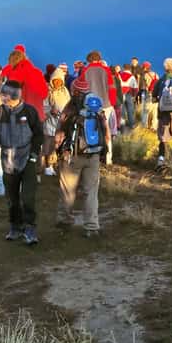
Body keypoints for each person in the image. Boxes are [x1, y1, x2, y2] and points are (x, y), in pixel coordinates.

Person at [0, 80, 43, 244]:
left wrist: (33, 154)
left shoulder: (29, 112)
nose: (1, 97)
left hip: (27, 160)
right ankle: (15, 227)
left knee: (28, 197)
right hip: (7, 161)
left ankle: (30, 228)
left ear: (13, 96)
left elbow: (39, 135)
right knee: (12, 197)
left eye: (4, 94)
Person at [55, 92, 108, 237]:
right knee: (91, 191)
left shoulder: (69, 111)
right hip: (94, 155)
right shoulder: (98, 112)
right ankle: (92, 226)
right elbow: (106, 135)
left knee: (68, 190)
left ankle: (64, 221)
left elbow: (59, 134)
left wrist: (59, 152)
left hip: (72, 156)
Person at [77, 52, 118, 163]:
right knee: (107, 130)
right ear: (99, 59)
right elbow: (112, 88)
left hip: (90, 105)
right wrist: (112, 103)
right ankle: (109, 157)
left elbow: (80, 87)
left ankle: (94, 155)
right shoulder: (107, 70)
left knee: (91, 129)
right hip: (106, 104)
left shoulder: (85, 70)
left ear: (89, 59)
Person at [2, 47, 50, 120]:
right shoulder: (37, 72)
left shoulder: (15, 73)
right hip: (37, 115)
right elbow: (44, 94)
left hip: (22, 116)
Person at [42, 67, 71, 177]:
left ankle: (53, 164)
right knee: (48, 144)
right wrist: (50, 110)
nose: (58, 83)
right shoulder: (48, 91)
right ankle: (46, 166)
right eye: (55, 81)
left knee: (56, 145)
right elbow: (44, 106)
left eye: (60, 81)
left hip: (61, 123)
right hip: (50, 122)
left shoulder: (65, 91)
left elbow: (69, 104)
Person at [117, 64, 138, 130]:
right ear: (130, 69)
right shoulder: (132, 77)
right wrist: (134, 95)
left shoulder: (119, 75)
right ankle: (132, 125)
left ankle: (122, 125)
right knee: (130, 110)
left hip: (120, 94)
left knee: (122, 110)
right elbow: (135, 88)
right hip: (129, 94)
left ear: (124, 68)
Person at [140, 62, 159, 130]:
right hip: (156, 95)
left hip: (148, 94)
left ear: (145, 67)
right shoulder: (156, 74)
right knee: (155, 112)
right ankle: (154, 127)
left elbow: (143, 87)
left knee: (146, 111)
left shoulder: (144, 75)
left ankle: (144, 126)